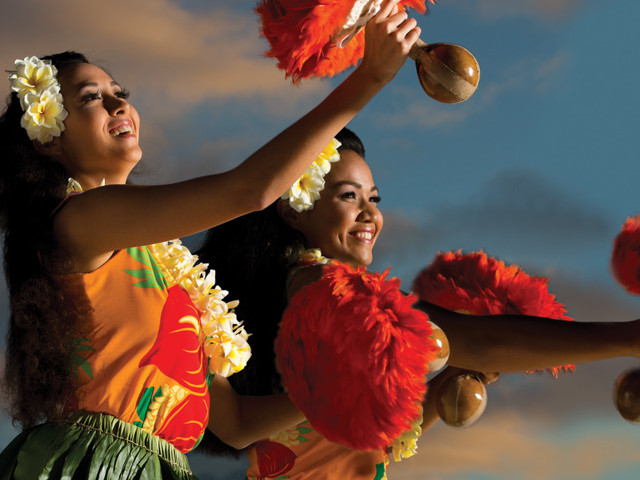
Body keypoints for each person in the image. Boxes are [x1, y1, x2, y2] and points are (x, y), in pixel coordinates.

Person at [0, 2, 420, 478]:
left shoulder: (165, 268)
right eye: (91, 98)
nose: (119, 104)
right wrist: (369, 78)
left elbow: (238, 425)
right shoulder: (78, 220)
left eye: (120, 93)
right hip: (95, 465)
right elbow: (250, 189)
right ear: (47, 137)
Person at [196, 127, 640, 479]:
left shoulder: (316, 298)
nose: (370, 213)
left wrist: (444, 389)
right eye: (349, 196)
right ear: (294, 209)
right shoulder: (320, 284)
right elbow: (475, 341)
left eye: (373, 199)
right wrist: (626, 337)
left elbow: (363, 449)